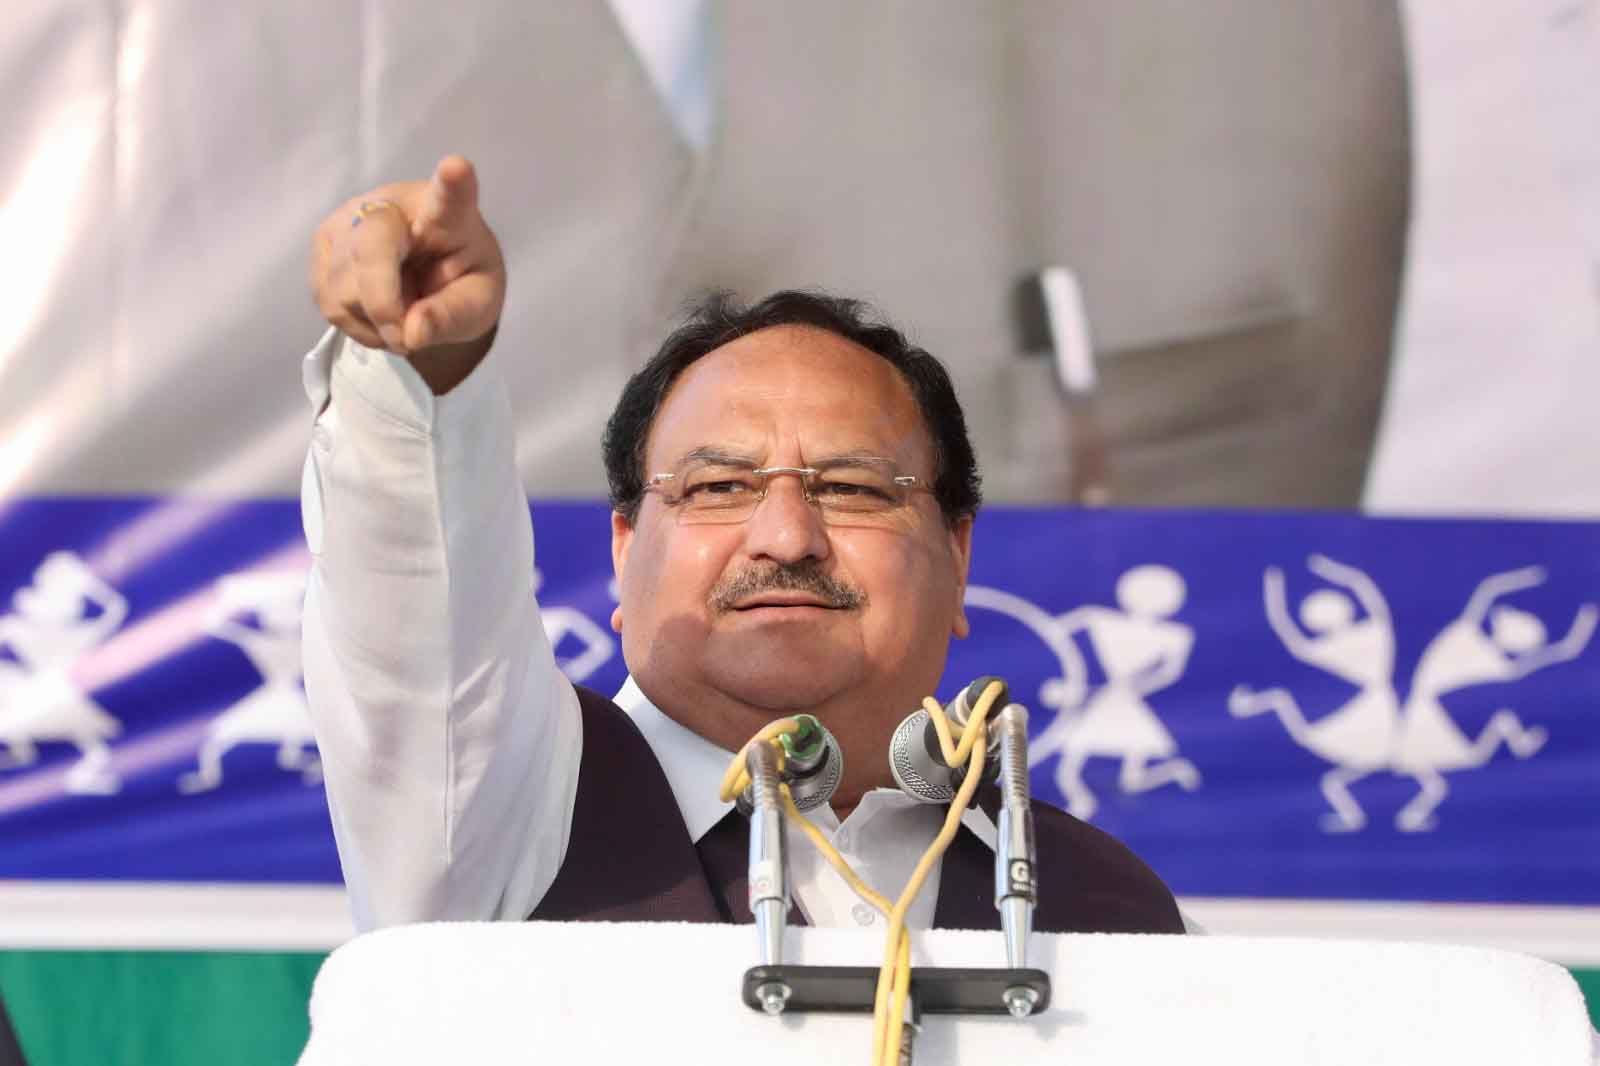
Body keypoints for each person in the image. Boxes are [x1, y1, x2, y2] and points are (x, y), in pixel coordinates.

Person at [302, 155, 1183, 935]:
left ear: (958, 560)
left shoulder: (1103, 910)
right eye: (719, 487)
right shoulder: (507, 807)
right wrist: (419, 368)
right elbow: (418, 598)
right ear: (623, 551)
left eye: (851, 488)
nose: (786, 535)